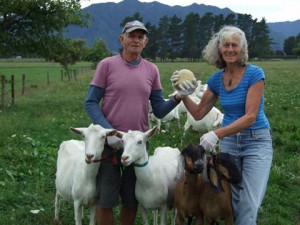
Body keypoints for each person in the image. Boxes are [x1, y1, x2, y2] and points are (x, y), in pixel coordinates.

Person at [84, 20, 196, 225]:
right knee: (106, 199)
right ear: (122, 39)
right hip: (109, 144)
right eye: (131, 36)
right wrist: (110, 132)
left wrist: (178, 97)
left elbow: (159, 110)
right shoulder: (107, 65)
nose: (136, 40)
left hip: (137, 145)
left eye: (140, 37)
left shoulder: (151, 70)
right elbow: (91, 102)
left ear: (145, 42)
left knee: (131, 197)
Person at [171, 25, 273, 225]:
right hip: (229, 144)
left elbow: (250, 116)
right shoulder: (217, 79)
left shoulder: (255, 74)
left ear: (242, 49)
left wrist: (216, 134)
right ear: (218, 49)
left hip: (256, 142)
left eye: (235, 45)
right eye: (225, 45)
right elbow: (199, 113)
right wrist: (183, 95)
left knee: (248, 205)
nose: (230, 49)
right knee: (232, 203)